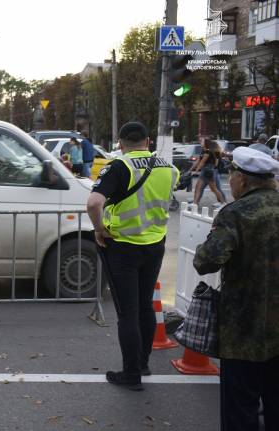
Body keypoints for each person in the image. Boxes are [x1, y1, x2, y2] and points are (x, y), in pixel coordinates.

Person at [86, 121, 179, 391]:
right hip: (155, 244)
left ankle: (131, 374)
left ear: (120, 141)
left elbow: (94, 203)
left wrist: (99, 229)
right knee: (145, 306)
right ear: (148, 141)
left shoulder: (119, 166)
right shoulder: (169, 168)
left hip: (123, 246)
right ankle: (142, 363)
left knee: (127, 313)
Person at [193, 146, 279, 431]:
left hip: (243, 333)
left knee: (240, 411)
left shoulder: (236, 214)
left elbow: (206, 262)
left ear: (242, 179)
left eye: (231, 176)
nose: (229, 181)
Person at [191, 139, 226, 207]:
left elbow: (202, 162)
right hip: (209, 171)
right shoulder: (206, 151)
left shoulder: (207, 151)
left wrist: (196, 171)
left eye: (202, 142)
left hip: (207, 171)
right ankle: (223, 203)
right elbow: (200, 161)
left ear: (206, 143)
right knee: (214, 189)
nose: (201, 143)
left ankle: (195, 203)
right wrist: (192, 169)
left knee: (199, 187)